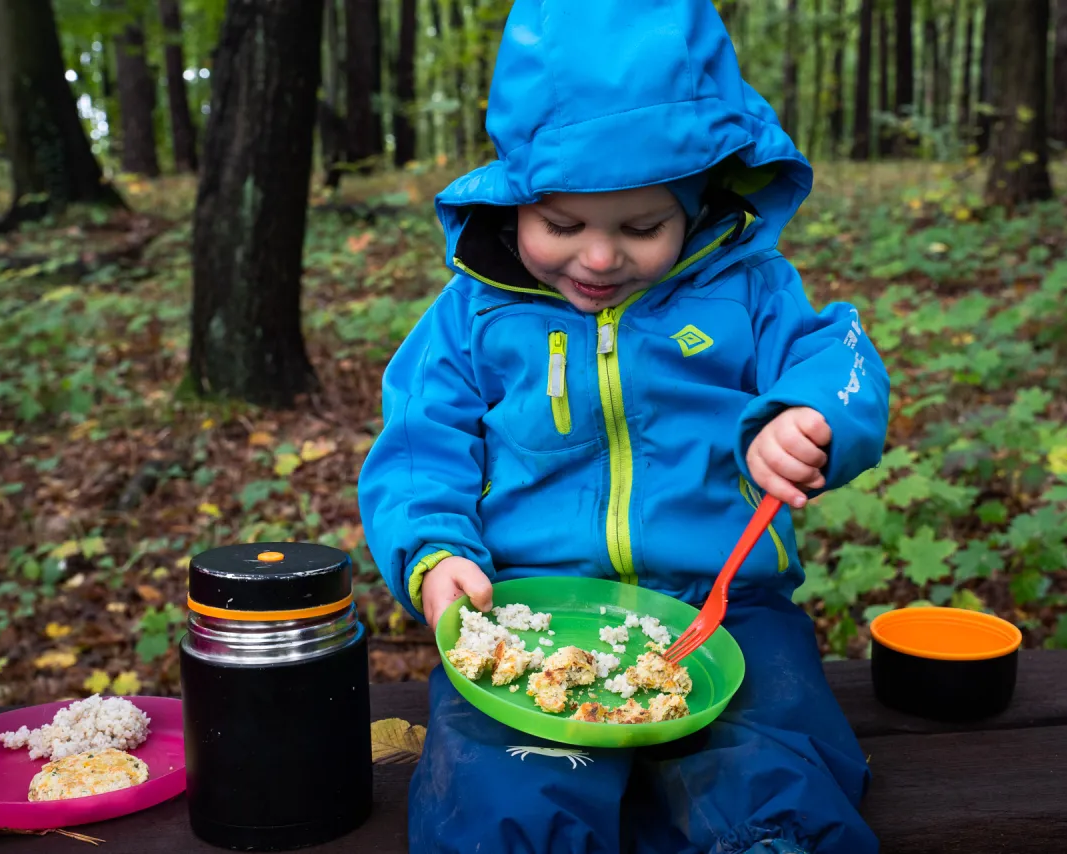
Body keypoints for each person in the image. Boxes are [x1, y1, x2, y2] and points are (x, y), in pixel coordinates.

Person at [358, 1, 890, 851]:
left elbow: (839, 360)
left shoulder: (748, 290)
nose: (600, 259)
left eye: (643, 228)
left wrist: (810, 416)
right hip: (527, 610)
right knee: (504, 780)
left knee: (772, 757)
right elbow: (423, 444)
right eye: (562, 225)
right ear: (515, 198)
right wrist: (434, 548)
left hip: (723, 604)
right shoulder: (473, 315)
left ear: (696, 205)